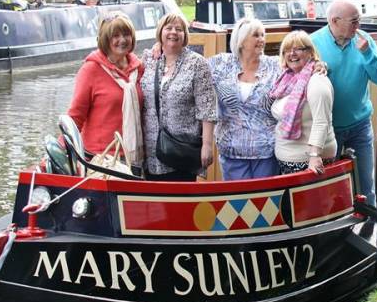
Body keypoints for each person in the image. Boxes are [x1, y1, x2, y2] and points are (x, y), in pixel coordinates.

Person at [311, 0, 377, 205]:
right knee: (328, 187)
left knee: (366, 185)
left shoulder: (364, 41)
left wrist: (368, 54)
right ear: (335, 21)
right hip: (328, 130)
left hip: (360, 125)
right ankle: (334, 233)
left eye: (359, 21)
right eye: (353, 22)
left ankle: (370, 229)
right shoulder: (313, 43)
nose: (358, 26)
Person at [141, 12, 217, 181]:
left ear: (185, 35)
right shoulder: (149, 59)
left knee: (180, 204)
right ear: (160, 32)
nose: (173, 32)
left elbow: (207, 107)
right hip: (149, 151)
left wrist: (207, 145)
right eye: (168, 28)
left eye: (179, 29)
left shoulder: (197, 63)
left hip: (181, 151)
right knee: (153, 204)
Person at [208, 18, 281, 180]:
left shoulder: (275, 65)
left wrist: (318, 66)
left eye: (263, 35)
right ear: (241, 40)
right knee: (237, 202)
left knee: (265, 202)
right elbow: (193, 66)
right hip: (231, 150)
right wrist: (161, 47)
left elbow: (302, 63)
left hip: (267, 151)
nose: (262, 39)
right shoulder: (221, 63)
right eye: (256, 35)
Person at [68, 11, 144, 165]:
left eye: (126, 34)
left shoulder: (139, 69)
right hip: (101, 159)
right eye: (115, 36)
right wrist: (63, 150)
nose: (122, 40)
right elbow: (75, 117)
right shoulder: (90, 70)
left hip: (135, 157)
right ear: (105, 39)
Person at [270, 31, 337, 175]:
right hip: (288, 159)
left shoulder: (317, 80)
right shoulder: (286, 78)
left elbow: (321, 122)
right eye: (287, 50)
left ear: (311, 52)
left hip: (307, 163)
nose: (291, 53)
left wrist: (314, 156)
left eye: (298, 49)